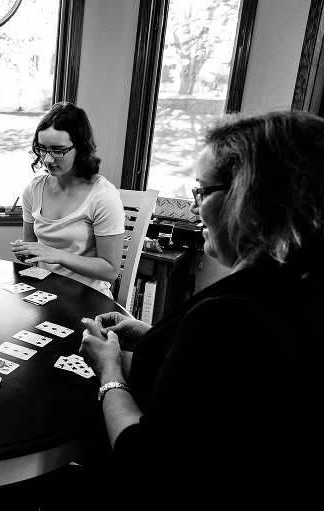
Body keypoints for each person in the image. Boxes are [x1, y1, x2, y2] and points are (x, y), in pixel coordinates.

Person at [79, 110, 323, 504]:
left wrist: (109, 371)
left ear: (251, 197)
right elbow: (227, 386)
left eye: (203, 191)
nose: (194, 208)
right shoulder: (297, 286)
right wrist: (155, 337)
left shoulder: (227, 316)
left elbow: (144, 462)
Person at [11, 102, 125, 298]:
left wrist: (55, 255)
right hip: (44, 294)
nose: (47, 159)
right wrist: (26, 252)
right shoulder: (33, 190)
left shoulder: (103, 196)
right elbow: (33, 253)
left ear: (80, 148)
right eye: (42, 149)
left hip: (88, 298)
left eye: (58, 150)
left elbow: (110, 271)